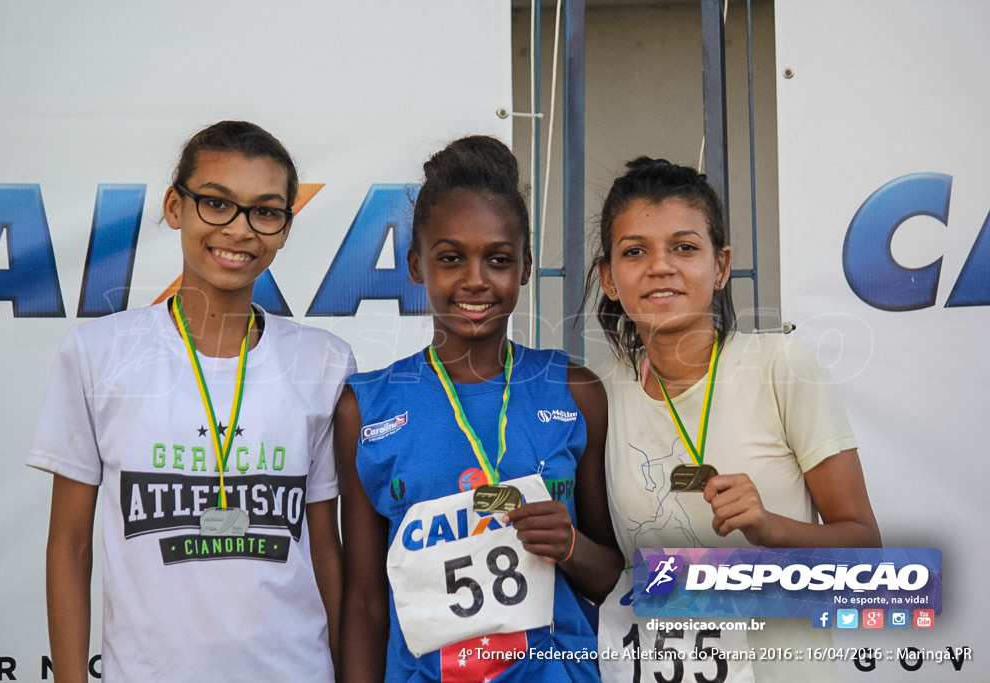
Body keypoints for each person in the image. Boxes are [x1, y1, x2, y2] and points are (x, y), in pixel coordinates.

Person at [28, 121, 354, 682]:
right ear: (175, 207)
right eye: (217, 204)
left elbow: (326, 547)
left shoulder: (324, 361)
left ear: (284, 229)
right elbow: (69, 545)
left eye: (265, 211)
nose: (240, 229)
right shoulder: (98, 352)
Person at [336, 135, 622, 682]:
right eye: (450, 258)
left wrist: (569, 546)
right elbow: (367, 599)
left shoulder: (573, 388)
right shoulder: (366, 405)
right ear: (416, 266)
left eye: (497, 259)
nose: (474, 280)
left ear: (525, 268)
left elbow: (611, 576)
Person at [587, 157, 881, 682]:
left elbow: (867, 552)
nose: (660, 266)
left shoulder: (782, 366)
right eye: (635, 251)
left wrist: (770, 528)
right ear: (609, 277)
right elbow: (612, 571)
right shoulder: (598, 393)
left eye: (685, 247)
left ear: (720, 266)